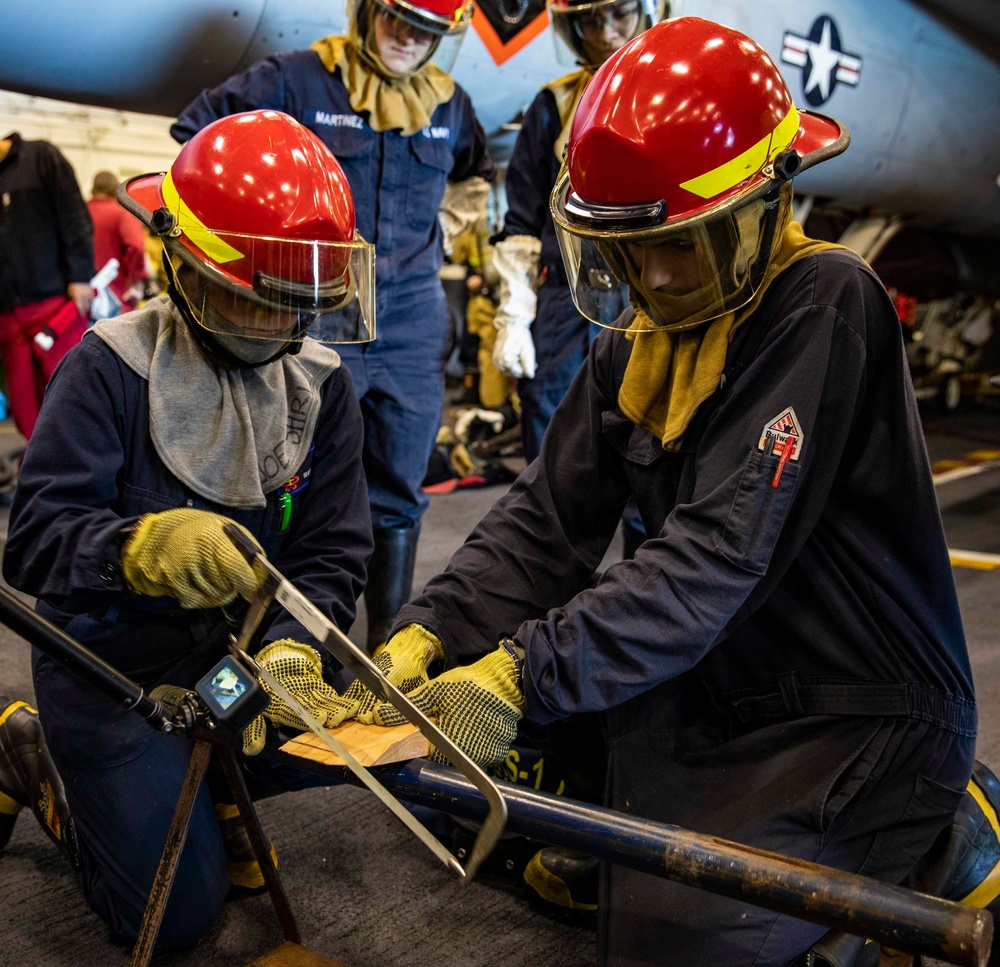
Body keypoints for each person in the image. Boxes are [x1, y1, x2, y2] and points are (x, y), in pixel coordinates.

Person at [340, 18, 979, 965]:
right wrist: (426, 632)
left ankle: (947, 823)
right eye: (636, 249)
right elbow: (542, 524)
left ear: (765, 205)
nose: (659, 275)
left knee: (674, 949)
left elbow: (712, 558)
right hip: (716, 678)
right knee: (460, 783)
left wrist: (522, 671)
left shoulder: (827, 300)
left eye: (688, 243)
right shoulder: (641, 329)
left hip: (853, 705)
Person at [0, 110, 378, 952]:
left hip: (238, 660)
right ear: (185, 270)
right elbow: (33, 542)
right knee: (179, 919)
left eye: (299, 309)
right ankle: (35, 763)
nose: (284, 331)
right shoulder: (107, 366)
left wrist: (289, 647)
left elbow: (333, 549)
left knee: (375, 748)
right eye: (257, 305)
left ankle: (205, 789)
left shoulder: (322, 388)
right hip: (111, 666)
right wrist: (136, 551)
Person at [171, 0, 496, 653]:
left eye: (427, 30)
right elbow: (198, 131)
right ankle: (285, 647)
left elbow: (475, 173)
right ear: (369, 10)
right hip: (318, 317)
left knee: (399, 489)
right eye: (398, 19)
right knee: (292, 481)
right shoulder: (300, 78)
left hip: (409, 321)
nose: (408, 38)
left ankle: (385, 651)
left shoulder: (449, 104)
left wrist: (447, 232)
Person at [491, 0, 660, 472]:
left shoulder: (676, 97)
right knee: (550, 445)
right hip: (565, 297)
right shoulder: (554, 105)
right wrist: (515, 318)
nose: (605, 33)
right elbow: (521, 221)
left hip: (653, 296)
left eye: (620, 14)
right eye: (589, 20)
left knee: (653, 445)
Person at [0, 132, 93, 443]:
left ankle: (78, 470)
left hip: (53, 304)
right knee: (25, 408)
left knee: (69, 396)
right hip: (7, 316)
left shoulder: (41, 157)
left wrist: (80, 275)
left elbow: (74, 214)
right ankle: (38, 470)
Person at [87, 170, 149, 312]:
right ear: (116, 191)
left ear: (92, 190)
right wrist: (136, 277)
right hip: (115, 298)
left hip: (80, 299)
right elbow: (136, 246)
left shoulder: (79, 213)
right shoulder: (122, 215)